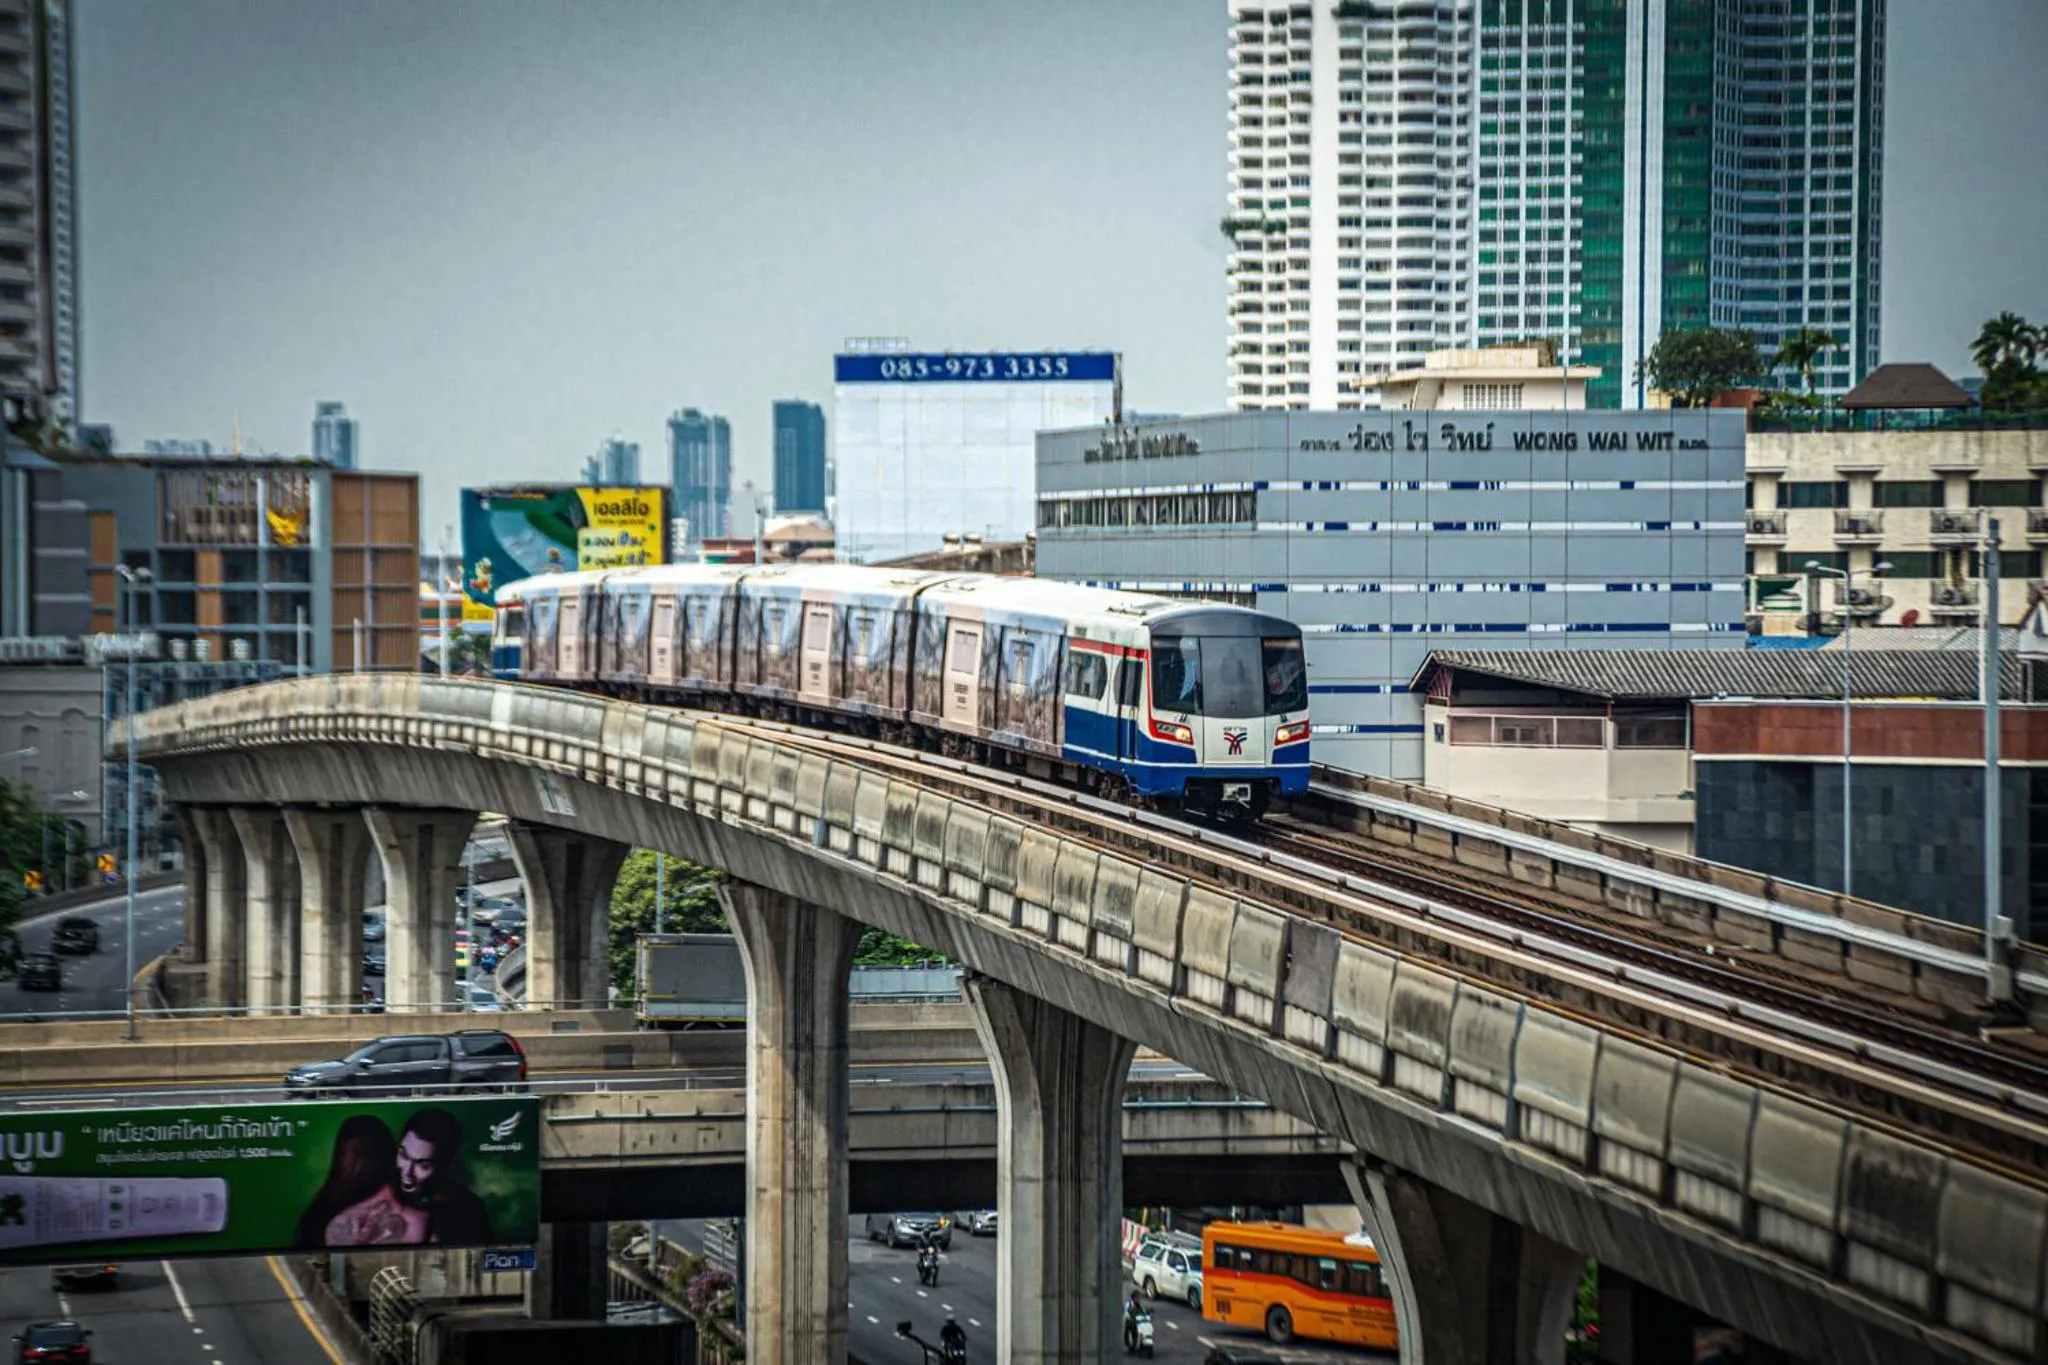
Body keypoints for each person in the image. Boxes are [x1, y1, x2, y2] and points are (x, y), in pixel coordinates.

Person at [297, 1116, 411, 1249]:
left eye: (360, 1154)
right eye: (349, 1153)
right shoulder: (326, 1206)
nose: (354, 1163)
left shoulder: (394, 1201)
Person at [394, 1108, 494, 1245]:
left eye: (423, 1165)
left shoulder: (468, 1209)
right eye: (403, 1155)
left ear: (445, 1166)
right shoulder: (379, 1187)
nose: (407, 1172)